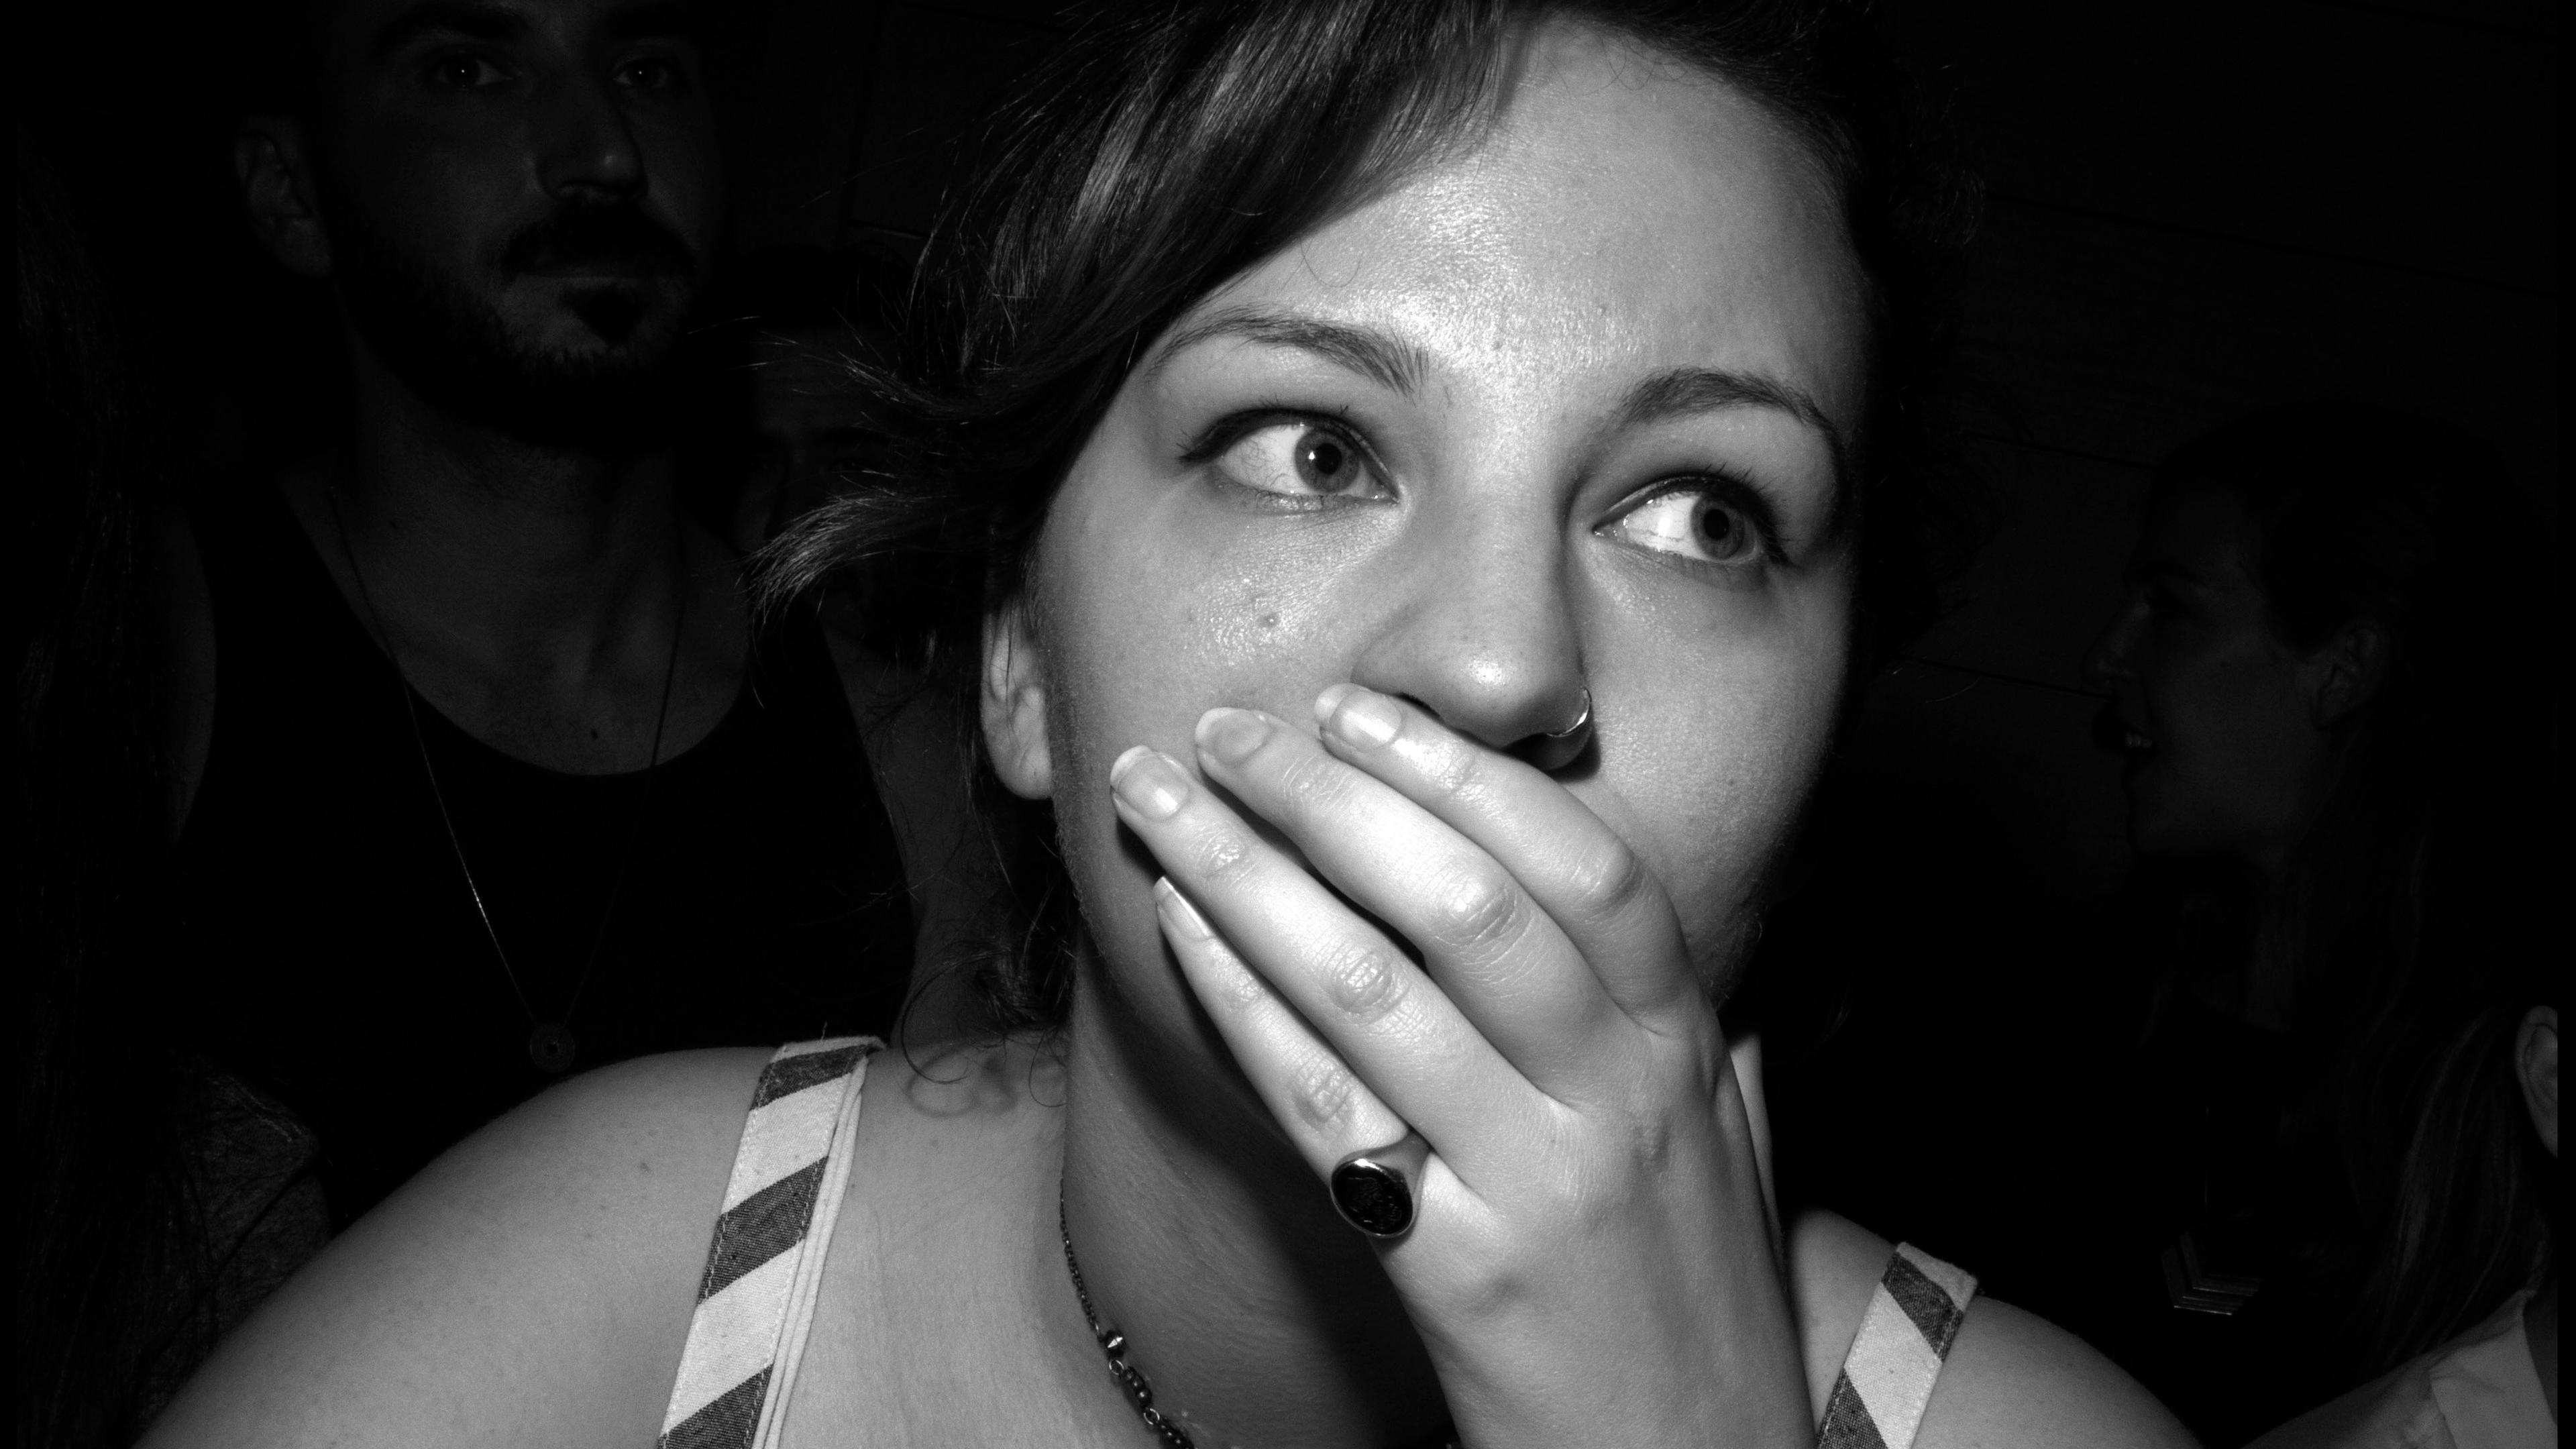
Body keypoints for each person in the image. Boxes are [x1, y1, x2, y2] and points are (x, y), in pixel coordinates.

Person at [144, 4, 2194, 1445]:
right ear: (1022, 665)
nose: (1493, 663)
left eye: (1702, 513)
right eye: (1308, 446)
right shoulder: (638, 1268)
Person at [165, 0, 973, 1231]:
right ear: (290, 190)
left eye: (648, 67)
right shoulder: (132, 653)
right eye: (469, 67)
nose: (601, 148)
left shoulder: (905, 756)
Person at [2064, 402, 2555, 1440]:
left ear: (2344, 666)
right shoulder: (2079, 1013)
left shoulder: (2494, 1106)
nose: (2107, 658)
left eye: (2171, 607)